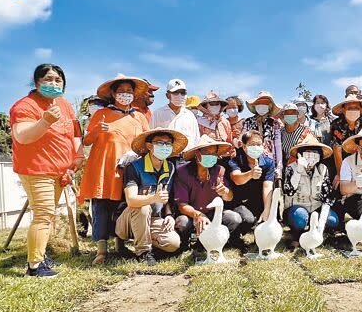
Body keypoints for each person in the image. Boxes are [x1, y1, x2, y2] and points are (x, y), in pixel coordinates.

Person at [10, 64, 85, 277]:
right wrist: (44, 121)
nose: (54, 83)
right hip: (37, 170)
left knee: (48, 215)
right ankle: (34, 267)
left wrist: (77, 157)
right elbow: (22, 136)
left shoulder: (64, 104)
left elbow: (75, 132)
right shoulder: (24, 106)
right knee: (43, 214)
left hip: (60, 171)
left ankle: (40, 255)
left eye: (58, 80)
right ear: (36, 83)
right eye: (48, 79)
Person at [79, 74, 150, 265]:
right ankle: (101, 251)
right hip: (104, 168)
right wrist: (96, 131)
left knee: (123, 205)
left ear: (134, 94)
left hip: (129, 169)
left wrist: (137, 155)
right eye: (121, 91)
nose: (125, 94)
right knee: (101, 206)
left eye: (129, 91)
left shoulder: (140, 117)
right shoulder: (100, 114)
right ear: (112, 93)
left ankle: (121, 245)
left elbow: (146, 143)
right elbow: (87, 140)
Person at [115, 128, 187, 265]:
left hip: (154, 218)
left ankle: (147, 244)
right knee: (143, 207)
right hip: (128, 220)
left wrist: (169, 215)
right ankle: (143, 253)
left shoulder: (170, 167)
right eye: (160, 143)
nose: (165, 147)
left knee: (173, 244)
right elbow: (131, 200)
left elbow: (166, 197)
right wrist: (154, 198)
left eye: (168, 144)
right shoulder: (134, 167)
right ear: (149, 146)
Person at [174, 135, 252, 250]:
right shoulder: (182, 172)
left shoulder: (219, 170)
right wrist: (198, 215)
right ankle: (185, 243)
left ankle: (216, 240)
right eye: (207, 153)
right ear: (197, 154)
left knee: (235, 218)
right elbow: (182, 205)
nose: (210, 156)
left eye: (213, 154)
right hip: (191, 215)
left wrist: (224, 192)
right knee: (183, 223)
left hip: (213, 214)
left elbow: (229, 197)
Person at [282, 136, 339, 248]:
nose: (311, 156)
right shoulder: (291, 168)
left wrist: (322, 223)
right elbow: (289, 191)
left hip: (316, 208)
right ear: (300, 154)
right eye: (307, 153)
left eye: (315, 153)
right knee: (300, 218)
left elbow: (328, 197)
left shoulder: (323, 169)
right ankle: (297, 236)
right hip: (296, 208)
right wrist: (298, 171)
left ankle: (318, 232)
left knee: (332, 220)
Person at [228, 130, 276, 222]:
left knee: (271, 212)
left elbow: (267, 187)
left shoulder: (268, 163)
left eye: (259, 144)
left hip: (258, 200)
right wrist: (250, 174)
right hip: (239, 201)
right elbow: (236, 178)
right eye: (253, 144)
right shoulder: (236, 160)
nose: (256, 147)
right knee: (248, 219)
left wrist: (267, 210)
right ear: (244, 147)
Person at [330, 95, 362, 189]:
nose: (353, 110)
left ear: (361, 110)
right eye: (350, 108)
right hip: (343, 160)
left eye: (356, 108)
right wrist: (340, 173)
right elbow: (337, 150)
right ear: (343, 110)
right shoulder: (336, 124)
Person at [242, 91, 283, 182]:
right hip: (250, 160)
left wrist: (279, 166)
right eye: (259, 103)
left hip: (270, 161)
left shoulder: (275, 123)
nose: (262, 105)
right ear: (255, 105)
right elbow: (243, 138)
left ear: (269, 106)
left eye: (265, 103)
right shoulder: (247, 121)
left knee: (268, 187)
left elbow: (278, 145)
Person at [150, 79, 200, 150]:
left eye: (183, 93)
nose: (180, 95)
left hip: (188, 157)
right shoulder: (157, 114)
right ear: (167, 95)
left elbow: (196, 139)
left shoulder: (190, 116)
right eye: (175, 92)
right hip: (165, 157)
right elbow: (151, 137)